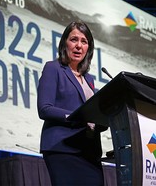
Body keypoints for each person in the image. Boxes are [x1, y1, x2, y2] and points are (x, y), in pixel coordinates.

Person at [37, 20, 108, 186]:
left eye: (84, 42)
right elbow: (44, 109)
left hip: (90, 153)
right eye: (74, 39)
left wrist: (103, 120)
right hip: (62, 149)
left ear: (88, 48)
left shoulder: (89, 80)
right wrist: (77, 117)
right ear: (64, 43)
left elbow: (93, 118)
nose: (79, 46)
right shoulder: (53, 68)